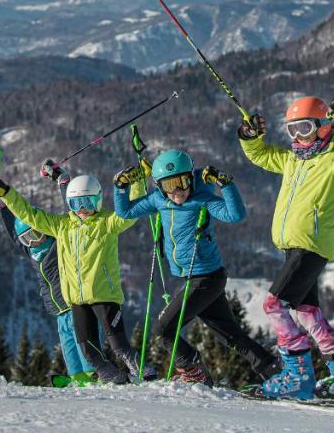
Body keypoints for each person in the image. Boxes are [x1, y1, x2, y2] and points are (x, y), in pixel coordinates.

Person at [236, 95, 334, 401]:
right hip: (294, 246)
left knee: (274, 305)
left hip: (312, 244)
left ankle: (298, 376)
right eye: (292, 130)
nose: (298, 136)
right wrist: (249, 137)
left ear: (324, 126)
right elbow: (260, 156)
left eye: (305, 127)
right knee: (307, 312)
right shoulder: (293, 159)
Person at [113, 148, 280, 385]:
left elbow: (236, 215)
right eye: (169, 185)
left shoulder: (202, 199)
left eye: (181, 182)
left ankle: (193, 372)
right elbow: (125, 211)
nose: (177, 191)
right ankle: (271, 368)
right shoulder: (159, 200)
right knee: (229, 334)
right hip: (196, 278)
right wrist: (121, 187)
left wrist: (226, 184)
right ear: (159, 187)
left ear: (191, 177)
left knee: (164, 329)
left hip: (206, 279)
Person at [0, 169, 149, 384]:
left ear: (97, 201)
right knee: (83, 347)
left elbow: (130, 213)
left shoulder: (105, 223)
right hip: (73, 301)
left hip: (102, 295)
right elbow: (27, 216)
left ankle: (144, 373)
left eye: (87, 203)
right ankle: (107, 378)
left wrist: (138, 184)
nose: (82, 210)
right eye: (75, 204)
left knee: (118, 345)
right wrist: (5, 194)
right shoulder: (61, 226)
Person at [0, 160, 90, 384]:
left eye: (37, 235)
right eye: (28, 239)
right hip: (56, 308)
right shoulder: (30, 250)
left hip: (73, 302)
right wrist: (2, 204)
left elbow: (71, 214)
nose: (34, 242)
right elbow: (12, 230)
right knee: (67, 343)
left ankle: (91, 374)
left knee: (83, 341)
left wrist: (62, 180)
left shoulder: (59, 241)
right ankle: (75, 376)